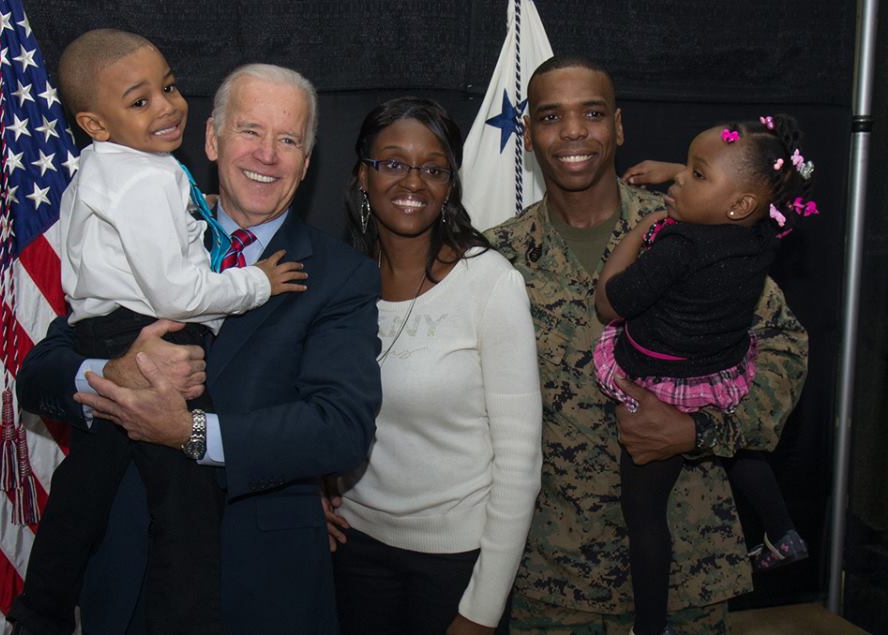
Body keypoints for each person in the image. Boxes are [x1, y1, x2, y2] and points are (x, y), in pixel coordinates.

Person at [14, 63, 382, 634]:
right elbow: (39, 376)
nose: (266, 155)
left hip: (259, 590)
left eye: (288, 140)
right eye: (249, 131)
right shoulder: (140, 227)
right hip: (124, 584)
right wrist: (114, 374)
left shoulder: (341, 277)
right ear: (212, 139)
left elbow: (339, 429)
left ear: (306, 164)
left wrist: (188, 432)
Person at [483, 55, 809, 634]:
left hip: (689, 573)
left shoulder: (698, 231)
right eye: (551, 116)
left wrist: (699, 431)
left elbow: (784, 348)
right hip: (556, 583)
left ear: (620, 126)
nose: (575, 131)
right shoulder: (494, 259)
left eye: (593, 113)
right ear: (527, 134)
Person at [323, 97, 543, 635]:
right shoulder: (339, 281)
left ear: (450, 186)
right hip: (353, 547)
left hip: (455, 564)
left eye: (433, 168)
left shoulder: (490, 283)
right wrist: (314, 486)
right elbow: (320, 408)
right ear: (362, 174)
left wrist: (482, 609)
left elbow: (520, 462)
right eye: (393, 163)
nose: (413, 182)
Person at [592, 115, 816, 635]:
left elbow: (615, 303)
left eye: (695, 175)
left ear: (737, 202)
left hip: (659, 384)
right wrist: (687, 172)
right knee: (737, 450)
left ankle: (651, 626)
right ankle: (781, 530)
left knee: (644, 515)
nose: (677, 183)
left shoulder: (680, 244)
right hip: (716, 376)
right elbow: (747, 197)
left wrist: (641, 232)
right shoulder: (761, 234)